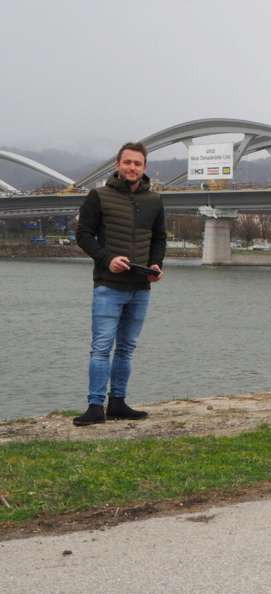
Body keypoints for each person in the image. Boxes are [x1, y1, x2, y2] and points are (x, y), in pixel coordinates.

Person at [73, 142, 166, 426]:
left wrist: (156, 264)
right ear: (118, 164)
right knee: (101, 348)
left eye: (138, 163)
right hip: (108, 284)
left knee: (126, 348)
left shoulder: (155, 200)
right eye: (127, 162)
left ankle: (118, 402)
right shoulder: (98, 196)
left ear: (144, 167)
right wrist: (107, 259)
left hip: (140, 287)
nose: (132, 168)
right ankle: (94, 406)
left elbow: (159, 238)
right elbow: (84, 235)